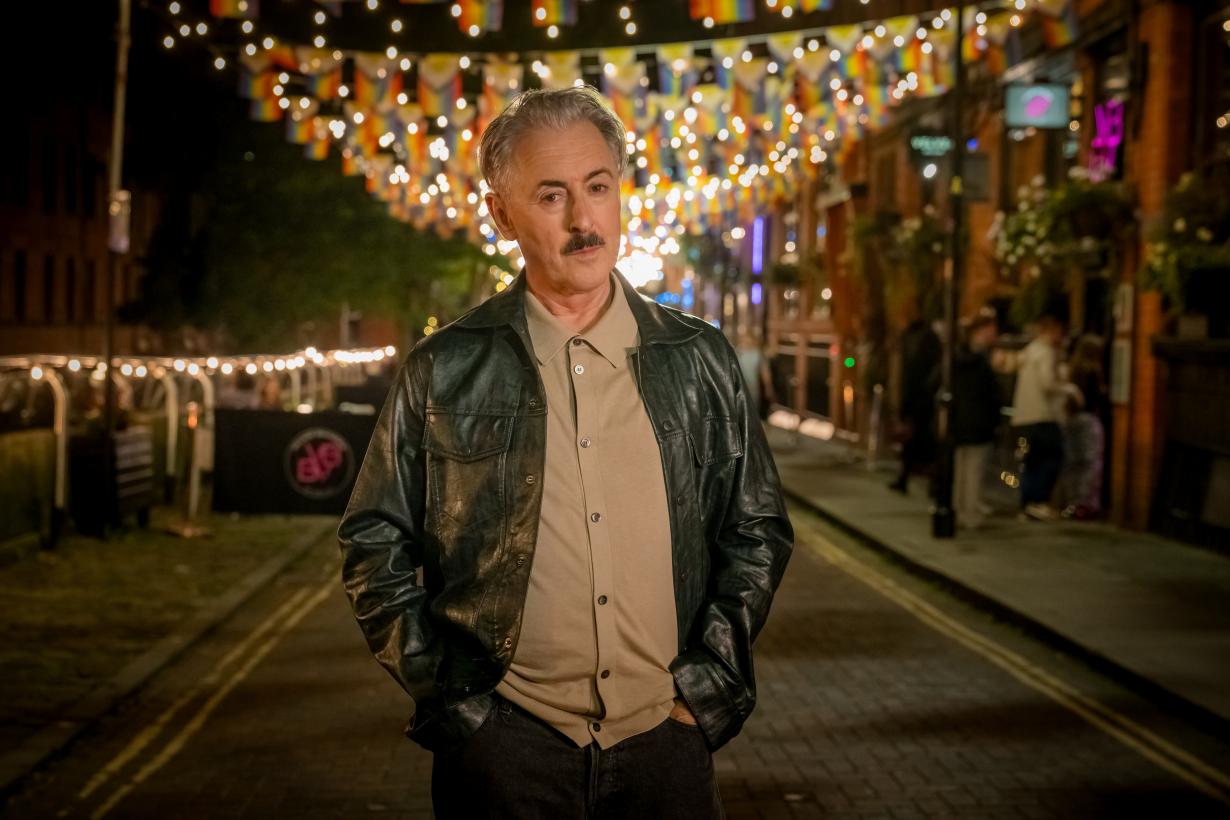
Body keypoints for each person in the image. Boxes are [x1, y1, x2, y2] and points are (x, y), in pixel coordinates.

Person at [337, 86, 793, 820]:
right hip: (504, 753)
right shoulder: (444, 368)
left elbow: (757, 530)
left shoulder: (698, 359)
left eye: (598, 188)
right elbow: (372, 538)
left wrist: (704, 684)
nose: (584, 221)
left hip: (664, 745)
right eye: (551, 196)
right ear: (501, 213)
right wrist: (450, 695)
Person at [1010, 315, 1067, 520]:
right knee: (1051, 457)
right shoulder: (1046, 352)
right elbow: (1048, 383)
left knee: (1031, 460)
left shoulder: (1029, 351)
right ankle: (1039, 501)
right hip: (1044, 415)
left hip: (1025, 415)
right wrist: (1069, 389)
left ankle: (1026, 504)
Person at [951, 312, 1002, 529]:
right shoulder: (981, 360)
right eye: (991, 330)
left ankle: (958, 510)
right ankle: (970, 514)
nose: (995, 335)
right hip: (977, 421)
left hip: (958, 420)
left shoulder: (956, 357)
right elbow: (990, 393)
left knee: (960, 469)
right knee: (973, 470)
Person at [889, 318, 942, 494]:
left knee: (923, 442)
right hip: (914, 398)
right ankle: (908, 479)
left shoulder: (926, 339)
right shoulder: (910, 338)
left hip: (922, 400)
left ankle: (931, 483)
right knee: (911, 442)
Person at [1059, 384, 1104, 519]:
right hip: (1088, 453)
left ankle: (1077, 506)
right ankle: (1085, 506)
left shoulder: (1069, 422)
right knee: (1088, 475)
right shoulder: (1091, 422)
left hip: (1076, 456)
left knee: (1076, 475)